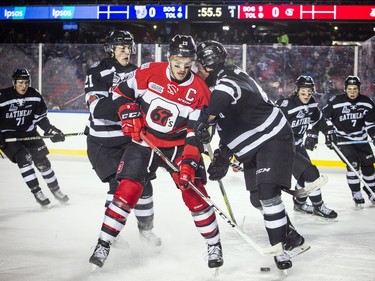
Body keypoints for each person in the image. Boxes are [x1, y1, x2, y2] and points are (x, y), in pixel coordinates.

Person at [89, 35, 223, 269]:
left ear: (193, 61)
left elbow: (193, 134)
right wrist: (128, 112)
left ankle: (214, 245)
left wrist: (189, 162)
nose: (182, 69)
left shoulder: (201, 90)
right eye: (177, 62)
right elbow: (121, 93)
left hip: (179, 147)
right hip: (145, 141)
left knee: (194, 192)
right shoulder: (148, 72)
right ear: (169, 58)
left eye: (187, 63)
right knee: (126, 190)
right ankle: (103, 243)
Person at [194, 40, 310, 271]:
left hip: (271, 139)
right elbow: (233, 124)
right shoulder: (215, 83)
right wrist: (223, 153)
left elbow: (223, 98)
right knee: (257, 199)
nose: (196, 68)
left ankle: (280, 247)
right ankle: (290, 235)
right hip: (253, 145)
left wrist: (206, 119)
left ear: (208, 62)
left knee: (268, 195)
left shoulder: (228, 77)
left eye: (199, 63)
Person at [84, 30, 161, 246]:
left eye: (129, 48)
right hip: (102, 143)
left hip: (130, 141)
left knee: (144, 185)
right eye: (122, 48)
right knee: (117, 186)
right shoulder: (97, 72)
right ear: (111, 49)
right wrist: (127, 106)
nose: (127, 52)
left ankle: (146, 231)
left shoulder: (138, 73)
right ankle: (112, 235)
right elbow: (97, 108)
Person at [0, 69, 69, 207]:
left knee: (43, 162)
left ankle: (56, 191)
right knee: (24, 159)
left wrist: (51, 130)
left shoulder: (34, 95)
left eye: (26, 83)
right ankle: (37, 192)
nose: (23, 86)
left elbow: (41, 119)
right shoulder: (3, 96)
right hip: (8, 135)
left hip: (30, 133)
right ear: (14, 83)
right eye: (20, 82)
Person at [276, 75, 337, 219]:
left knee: (304, 178)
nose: (307, 95)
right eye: (303, 92)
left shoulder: (311, 104)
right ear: (297, 90)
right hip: (284, 149)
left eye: (309, 92)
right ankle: (318, 206)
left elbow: (318, 120)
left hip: (298, 146)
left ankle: (299, 203)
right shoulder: (286, 104)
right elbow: (270, 124)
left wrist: (326, 131)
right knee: (312, 174)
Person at [322, 75, 375, 206]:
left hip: (361, 140)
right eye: (350, 89)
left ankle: (372, 192)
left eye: (355, 89)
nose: (352, 92)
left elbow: (370, 124)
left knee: (369, 166)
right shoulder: (336, 101)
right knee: (353, 164)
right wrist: (329, 132)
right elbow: (323, 118)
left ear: (359, 89)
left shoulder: (366, 102)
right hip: (343, 140)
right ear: (345, 89)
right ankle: (356, 193)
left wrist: (374, 135)